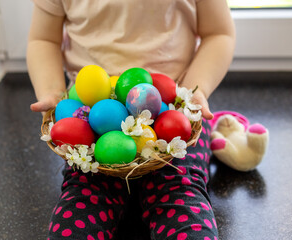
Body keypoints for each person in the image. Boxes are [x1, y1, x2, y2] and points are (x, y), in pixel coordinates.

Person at [27, 0, 235, 239]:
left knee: (180, 191)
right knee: (85, 196)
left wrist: (194, 90)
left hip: (173, 113)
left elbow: (218, 33)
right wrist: (51, 91)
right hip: (89, 120)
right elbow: (44, 39)